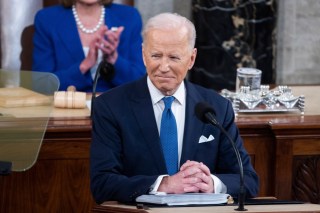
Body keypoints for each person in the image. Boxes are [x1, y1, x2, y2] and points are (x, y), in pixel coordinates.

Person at [90, 12, 259, 204]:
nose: (163, 66)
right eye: (156, 55)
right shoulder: (111, 106)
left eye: (174, 57)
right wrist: (163, 185)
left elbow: (249, 180)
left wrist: (210, 183)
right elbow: (102, 183)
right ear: (144, 55)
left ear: (192, 59)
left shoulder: (217, 108)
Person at [32, 0, 146, 92]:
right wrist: (84, 65)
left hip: (117, 110)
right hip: (67, 109)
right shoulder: (47, 19)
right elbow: (41, 85)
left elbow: (141, 82)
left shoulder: (129, 17)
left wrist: (113, 59)